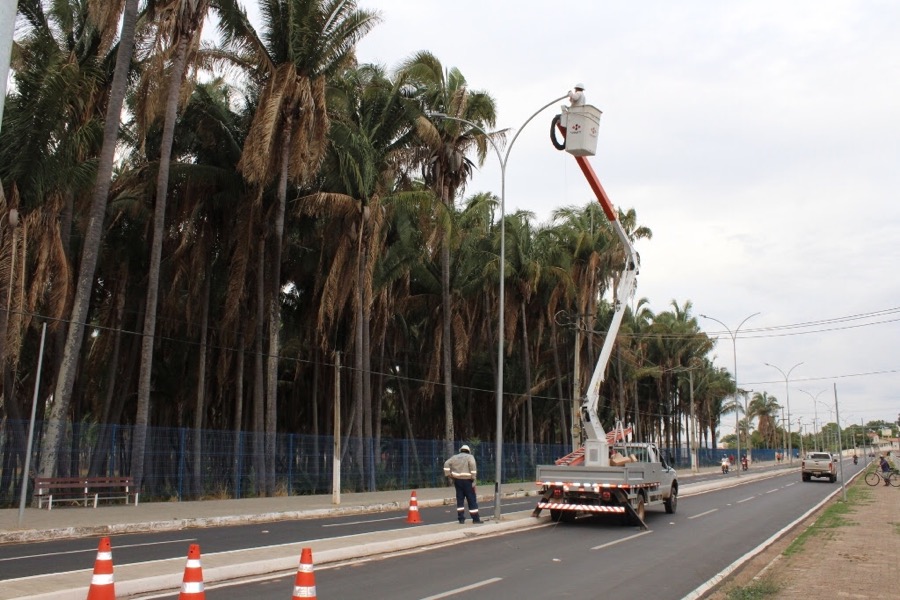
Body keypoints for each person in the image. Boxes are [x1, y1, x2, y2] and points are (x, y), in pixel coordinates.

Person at [443, 444, 481, 523]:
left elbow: (446, 463)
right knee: (471, 500)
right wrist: (473, 477)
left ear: (461, 450)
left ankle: (461, 519)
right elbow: (473, 466)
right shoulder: (470, 457)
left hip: (457, 481)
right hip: (468, 481)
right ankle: (475, 519)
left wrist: (448, 474)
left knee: (460, 500)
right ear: (468, 451)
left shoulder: (454, 457)